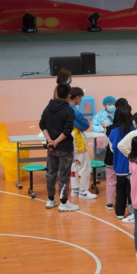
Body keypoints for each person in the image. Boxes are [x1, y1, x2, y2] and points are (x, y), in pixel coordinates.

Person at [40, 83, 78, 212]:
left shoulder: (48, 107)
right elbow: (67, 130)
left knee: (51, 173)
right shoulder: (69, 110)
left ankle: (50, 200)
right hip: (64, 148)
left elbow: (42, 125)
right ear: (69, 95)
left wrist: (50, 141)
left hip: (51, 148)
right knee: (64, 176)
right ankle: (64, 202)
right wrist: (55, 141)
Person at [68, 87, 97, 200]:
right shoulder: (74, 111)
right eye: (81, 98)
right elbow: (85, 125)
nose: (80, 100)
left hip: (68, 141)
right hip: (77, 140)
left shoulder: (63, 108)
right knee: (84, 166)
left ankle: (75, 189)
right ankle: (83, 191)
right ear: (77, 97)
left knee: (74, 165)